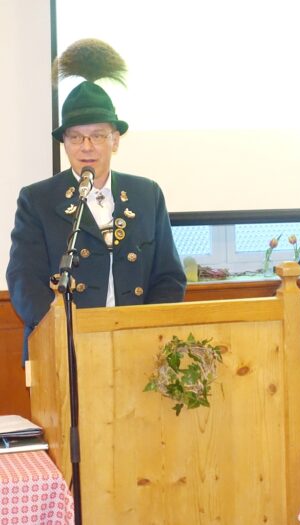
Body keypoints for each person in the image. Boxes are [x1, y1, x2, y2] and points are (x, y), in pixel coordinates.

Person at [6, 39, 186, 361]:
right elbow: (24, 281)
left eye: (98, 135)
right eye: (76, 136)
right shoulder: (37, 200)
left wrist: (147, 333)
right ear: (64, 143)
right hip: (66, 349)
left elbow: (169, 277)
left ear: (115, 140)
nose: (86, 146)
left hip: (136, 349)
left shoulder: (147, 195)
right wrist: (65, 332)